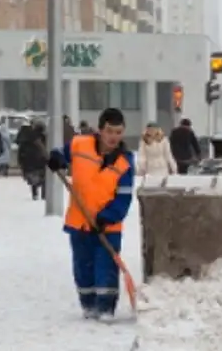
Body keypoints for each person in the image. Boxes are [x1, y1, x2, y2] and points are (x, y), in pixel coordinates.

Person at [47, 108, 135, 321]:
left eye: (119, 132)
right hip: (80, 222)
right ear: (100, 130)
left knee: (106, 267)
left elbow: (124, 197)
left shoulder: (125, 162)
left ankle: (105, 307)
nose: (114, 137)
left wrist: (108, 216)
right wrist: (56, 159)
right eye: (110, 131)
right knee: (82, 267)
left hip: (108, 227)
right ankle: (88, 305)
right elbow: (61, 153)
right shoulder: (80, 144)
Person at [17, 120, 47, 200]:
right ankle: (44, 195)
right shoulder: (44, 138)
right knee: (44, 178)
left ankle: (35, 194)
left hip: (29, 161)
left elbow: (21, 151)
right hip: (41, 161)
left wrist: (20, 161)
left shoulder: (27, 137)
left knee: (33, 179)